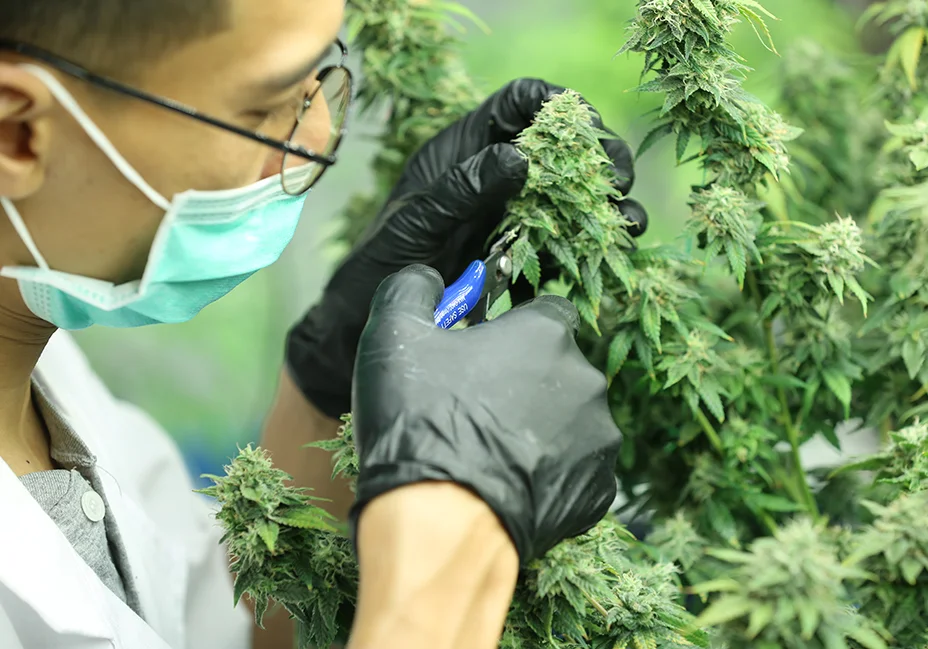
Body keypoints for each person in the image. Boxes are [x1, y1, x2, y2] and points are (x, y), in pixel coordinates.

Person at [0, 1, 650, 648]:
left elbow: (232, 620)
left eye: (321, 80)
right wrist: (446, 557)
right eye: (264, 106)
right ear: (17, 133)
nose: (316, 136)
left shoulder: (52, 394)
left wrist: (330, 388)